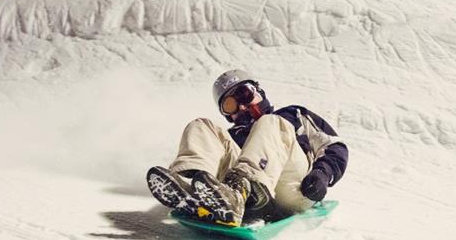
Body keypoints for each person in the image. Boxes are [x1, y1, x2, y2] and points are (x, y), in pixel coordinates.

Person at [146, 69, 349, 227]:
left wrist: (322, 174)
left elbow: (334, 145)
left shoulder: (290, 115)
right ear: (228, 115)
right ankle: (194, 192)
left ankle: (239, 192)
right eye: (231, 105)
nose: (242, 107)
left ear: (259, 92)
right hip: (250, 198)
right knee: (202, 126)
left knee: (269, 122)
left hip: (294, 189)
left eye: (244, 95)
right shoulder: (232, 137)